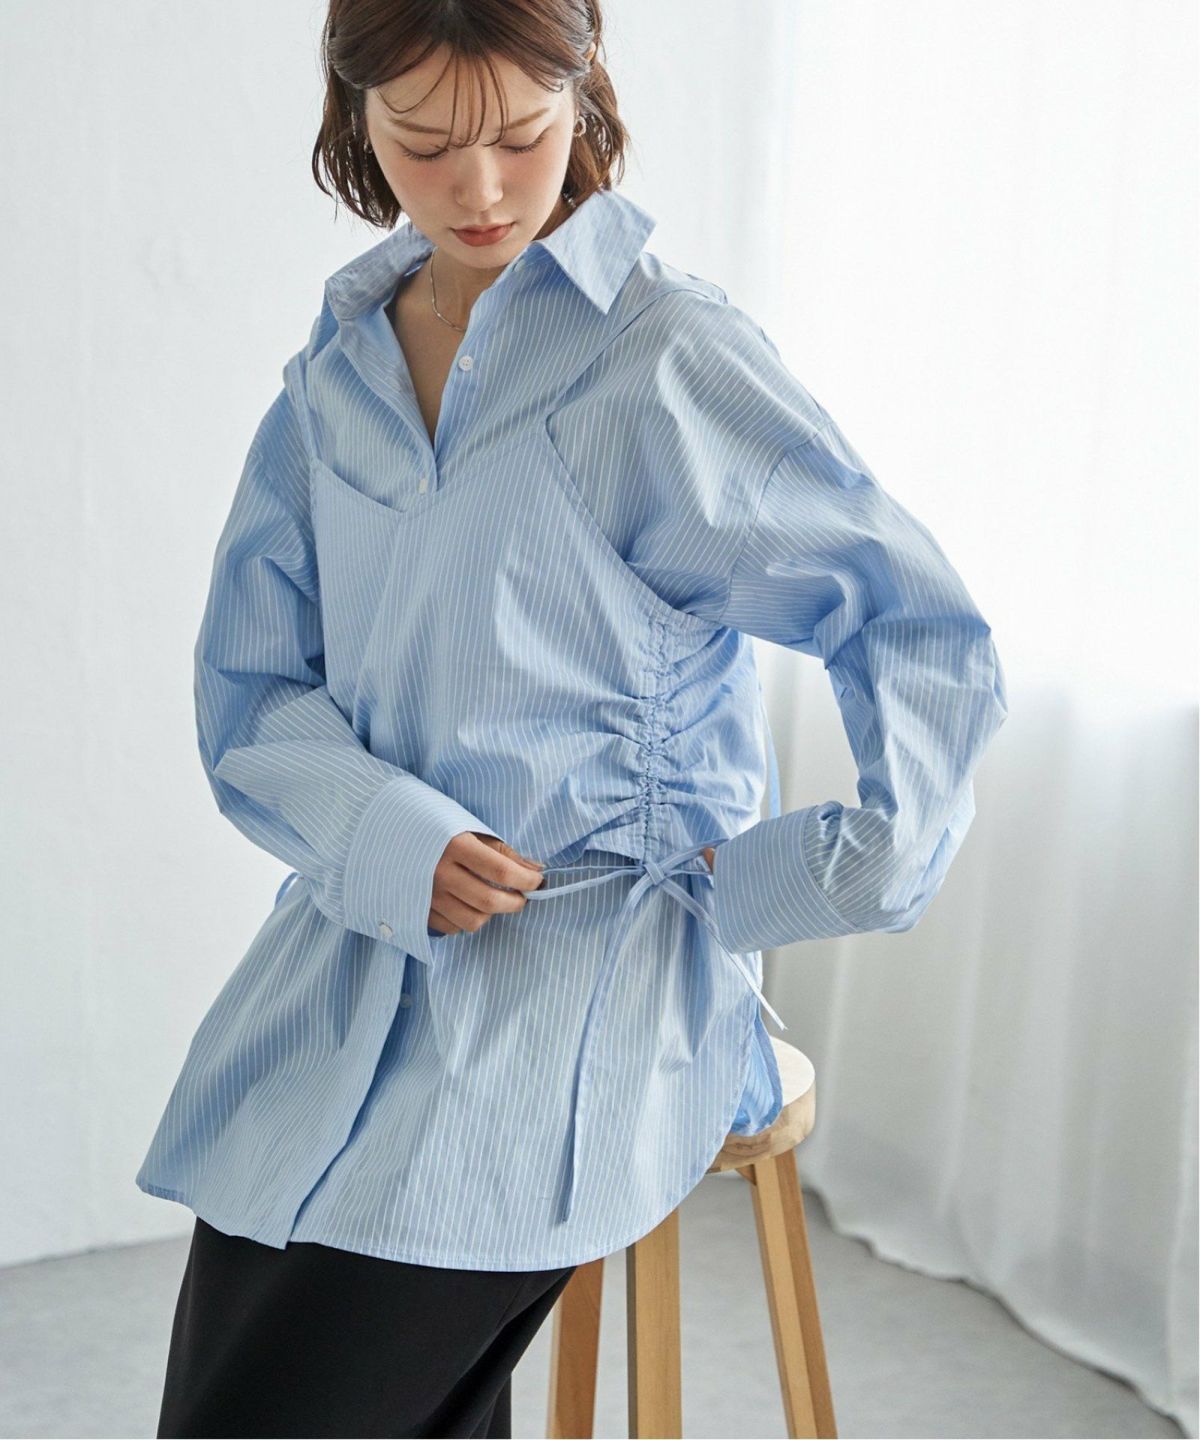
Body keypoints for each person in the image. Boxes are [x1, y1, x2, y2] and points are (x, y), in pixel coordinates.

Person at [140, 0, 1010, 1434]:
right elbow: (251, 690)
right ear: (356, 122)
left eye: (521, 135)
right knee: (248, 1341)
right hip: (352, 952)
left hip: (588, 975)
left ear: (583, 96)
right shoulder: (335, 373)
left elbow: (918, 628)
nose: (480, 189)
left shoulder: (663, 356)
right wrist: (382, 829)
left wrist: (814, 871)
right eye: (425, 144)